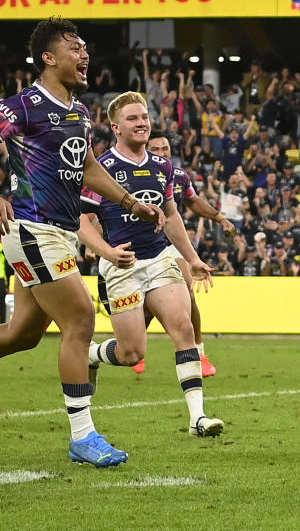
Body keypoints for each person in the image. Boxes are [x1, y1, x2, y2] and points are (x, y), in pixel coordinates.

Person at [0, 18, 164, 468]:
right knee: (81, 317)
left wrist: (129, 201)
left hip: (60, 234)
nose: (84, 54)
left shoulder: (79, 113)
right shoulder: (25, 105)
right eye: (74, 47)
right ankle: (83, 436)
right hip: (31, 229)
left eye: (85, 47)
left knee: (23, 334)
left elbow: (86, 167)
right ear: (49, 58)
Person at [78, 93, 222, 438]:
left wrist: (192, 259)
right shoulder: (101, 168)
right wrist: (106, 252)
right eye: (132, 118)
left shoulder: (163, 167)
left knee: (183, 327)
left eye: (144, 117)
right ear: (115, 127)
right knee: (130, 353)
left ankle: (197, 418)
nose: (141, 122)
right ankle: (93, 355)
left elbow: (171, 216)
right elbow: (81, 219)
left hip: (159, 259)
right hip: (121, 265)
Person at [135, 129, 236, 376]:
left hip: (170, 243)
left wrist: (219, 216)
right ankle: (137, 349)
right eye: (156, 149)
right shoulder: (130, 173)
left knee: (188, 292)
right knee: (146, 306)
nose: (161, 153)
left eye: (165, 149)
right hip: (139, 245)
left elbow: (192, 201)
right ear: (146, 149)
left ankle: (200, 354)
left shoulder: (177, 175)